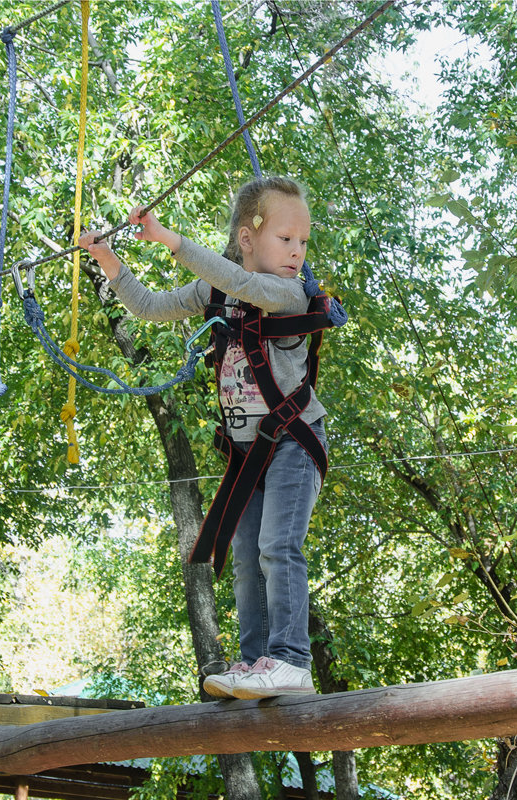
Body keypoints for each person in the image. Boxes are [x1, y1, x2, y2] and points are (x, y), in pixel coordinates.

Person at [80, 176, 335, 699]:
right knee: (246, 559)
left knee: (277, 545)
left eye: (303, 242)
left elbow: (245, 284)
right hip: (249, 454)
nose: (297, 252)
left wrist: (168, 238)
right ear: (247, 238)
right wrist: (108, 260)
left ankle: (292, 660)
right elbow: (150, 306)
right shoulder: (216, 292)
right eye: (286, 239)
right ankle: (257, 662)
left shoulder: (288, 293)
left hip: (294, 441)